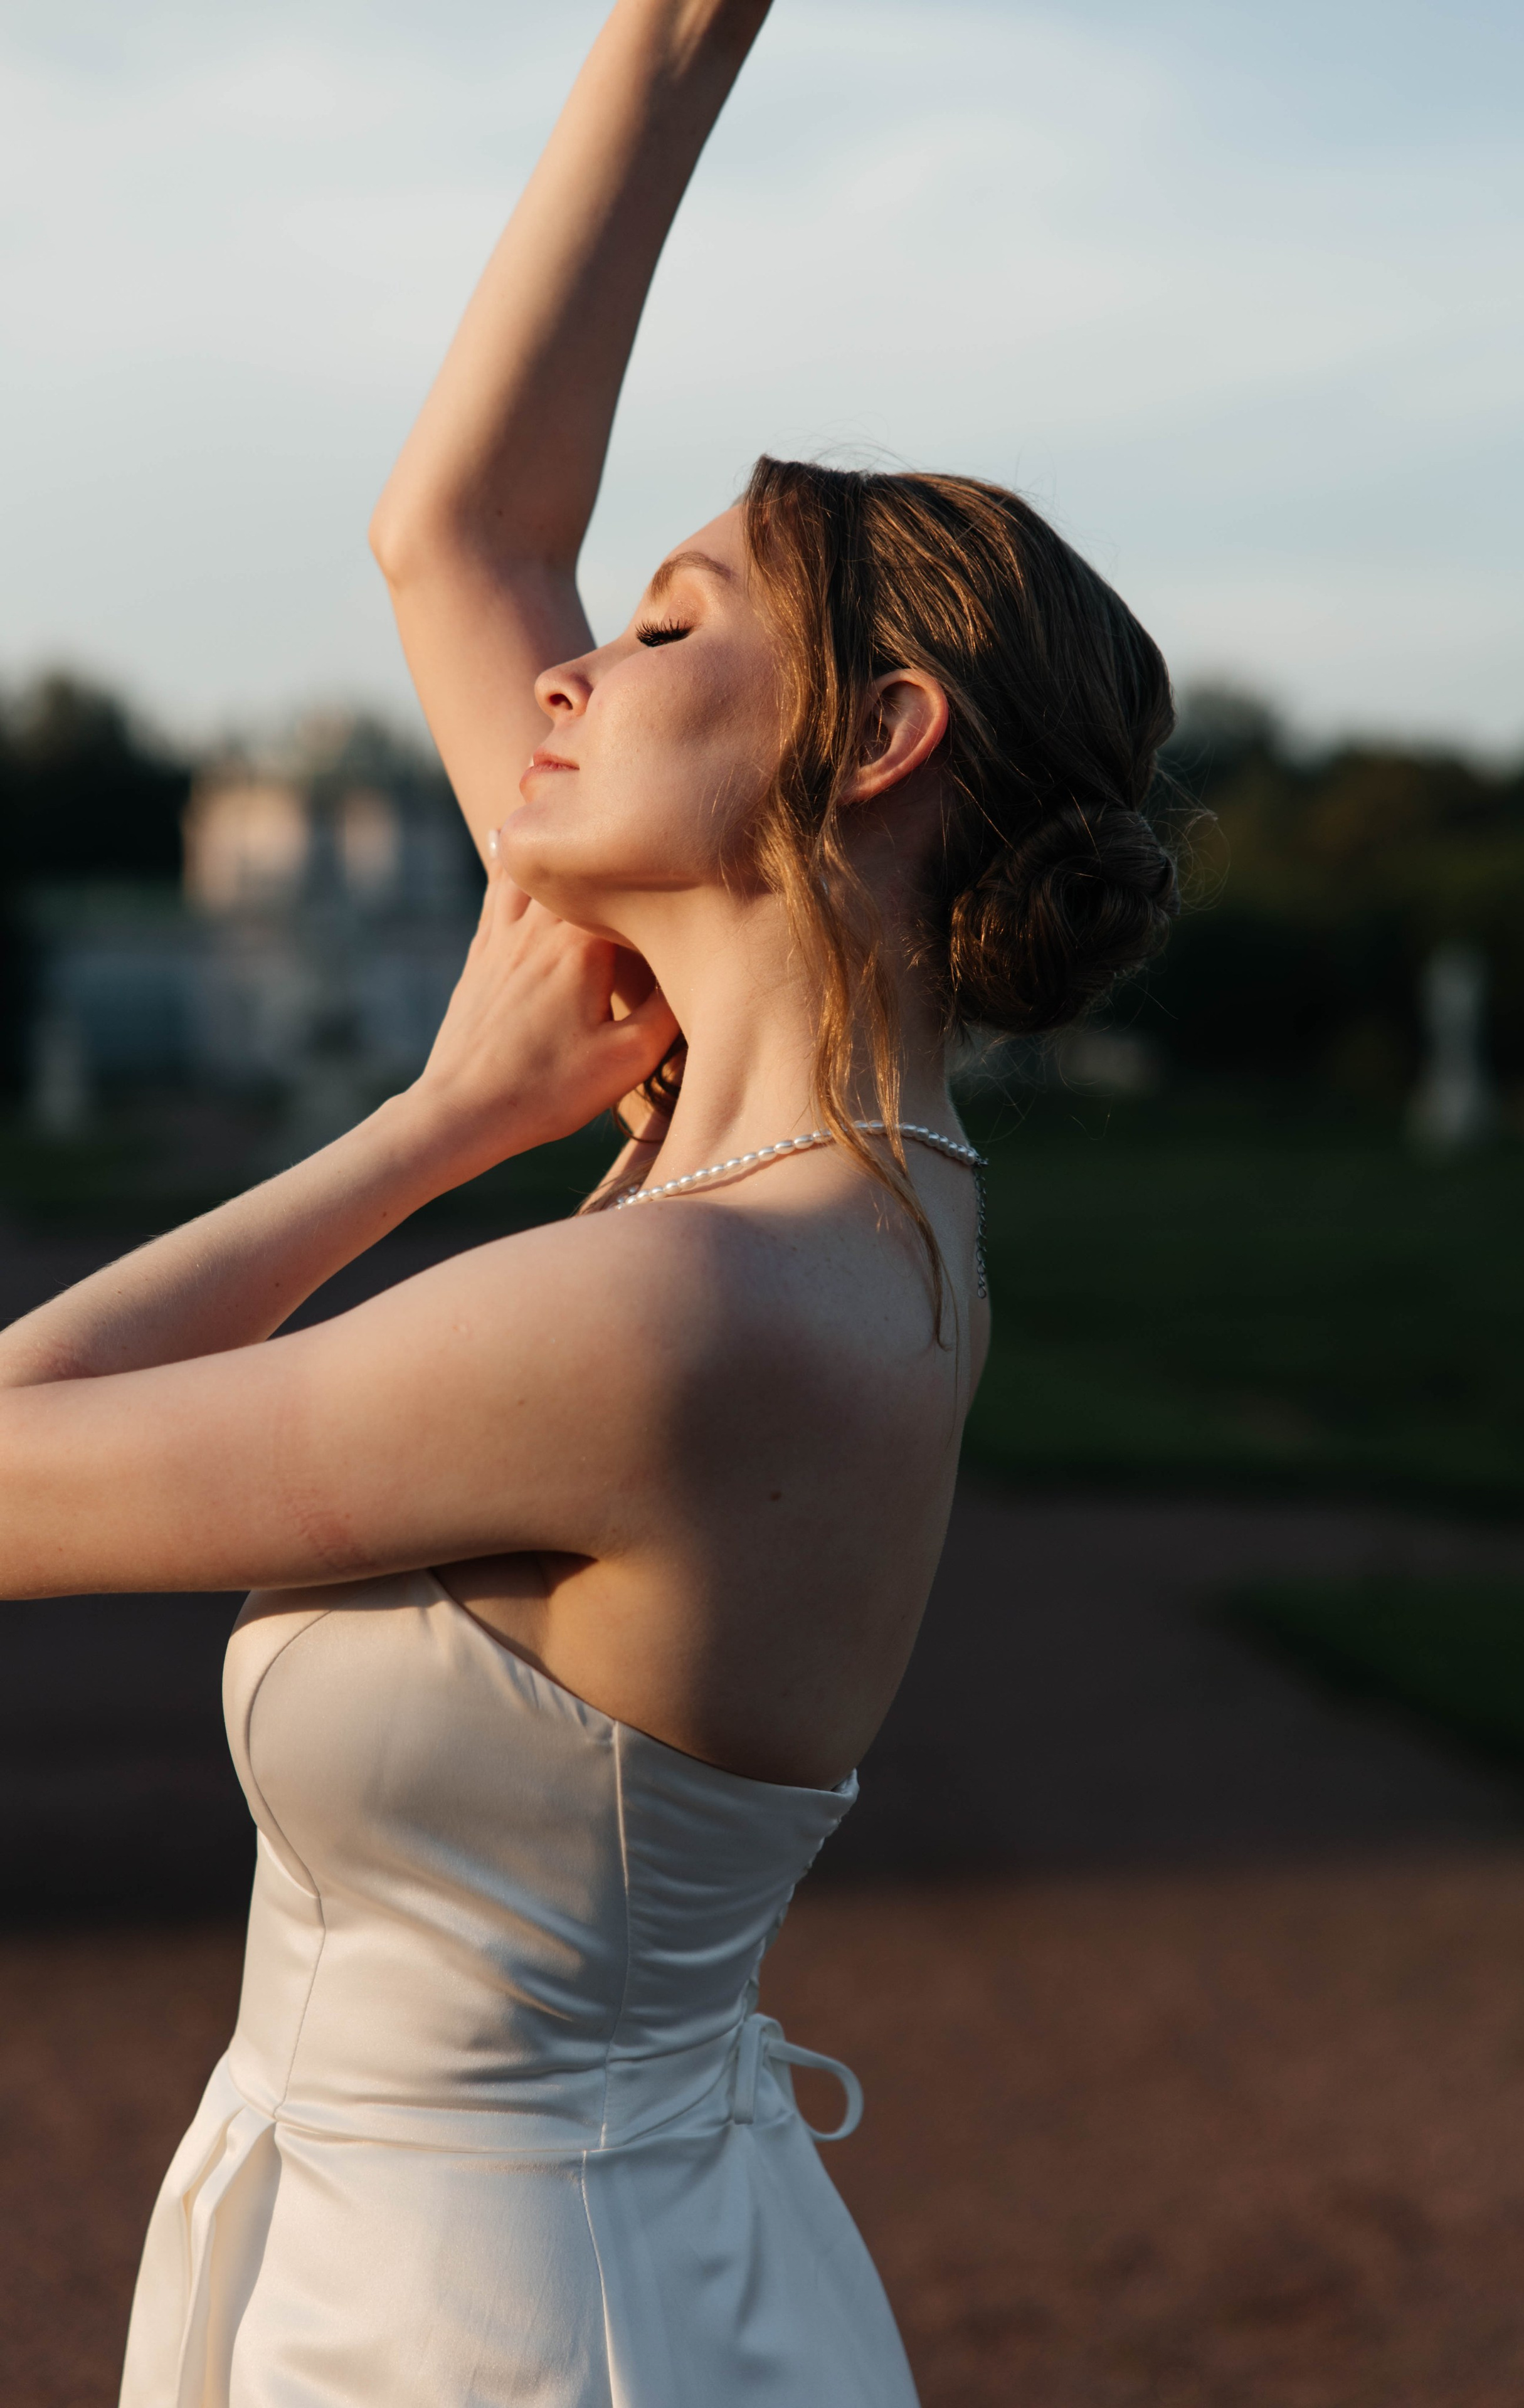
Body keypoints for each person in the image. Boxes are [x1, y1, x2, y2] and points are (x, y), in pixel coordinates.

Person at [0, 1, 1179, 2400]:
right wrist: (666, 43)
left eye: (661, 629)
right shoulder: (779, 1152)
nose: (563, 672)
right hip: (510, 2263)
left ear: (873, 742)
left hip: (504, 2338)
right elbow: (455, 533)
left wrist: (431, 1125)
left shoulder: (689, 1307)